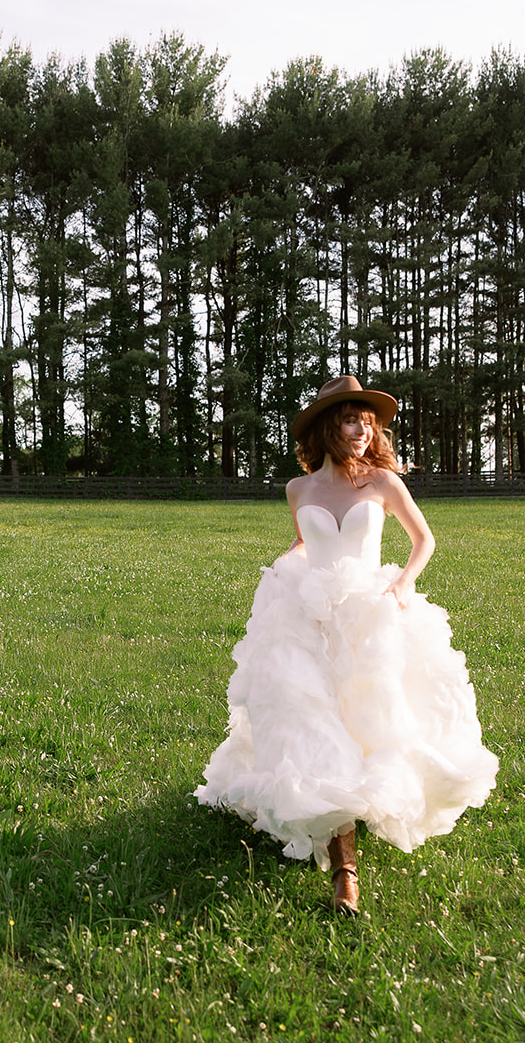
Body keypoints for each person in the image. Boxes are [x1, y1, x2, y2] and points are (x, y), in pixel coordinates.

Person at [194, 375, 498, 915]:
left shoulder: (383, 482)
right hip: (307, 613)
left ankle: (363, 803)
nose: (363, 431)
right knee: (313, 720)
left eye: (369, 422)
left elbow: (424, 540)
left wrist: (403, 582)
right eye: (352, 421)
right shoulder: (299, 489)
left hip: (370, 612)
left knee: (370, 719)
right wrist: (283, 575)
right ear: (329, 429)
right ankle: (344, 871)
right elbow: (306, 541)